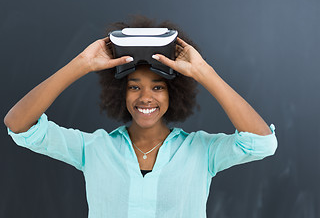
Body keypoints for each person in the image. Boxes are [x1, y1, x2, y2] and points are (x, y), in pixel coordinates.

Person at [4, 15, 277, 218]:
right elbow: (19, 125)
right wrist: (82, 64)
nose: (145, 97)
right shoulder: (94, 149)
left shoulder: (201, 152)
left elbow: (262, 143)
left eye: (158, 87)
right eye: (134, 86)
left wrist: (203, 72)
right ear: (121, 93)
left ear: (173, 94)